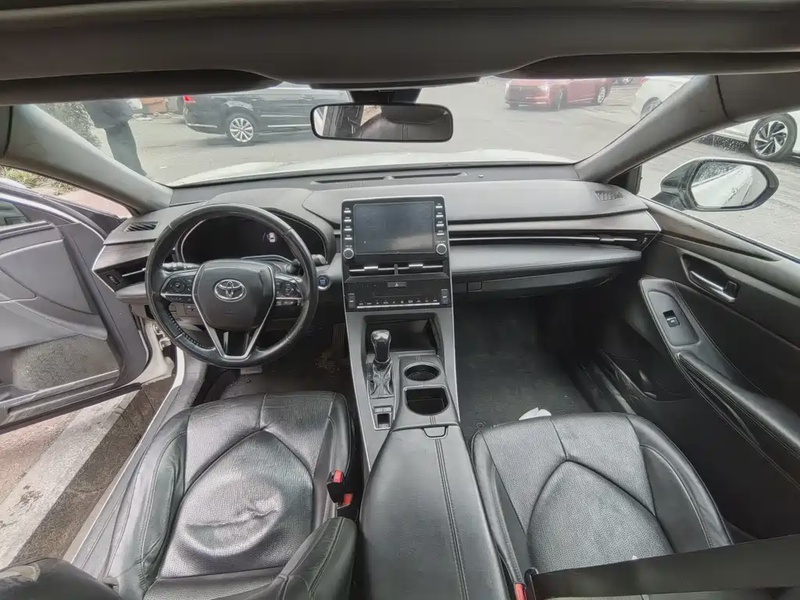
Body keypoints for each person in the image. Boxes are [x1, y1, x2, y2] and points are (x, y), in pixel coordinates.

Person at [82, 99, 146, 175]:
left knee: (118, 141)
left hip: (105, 112)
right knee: (123, 142)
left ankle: (129, 170)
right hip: (110, 111)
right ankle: (133, 171)